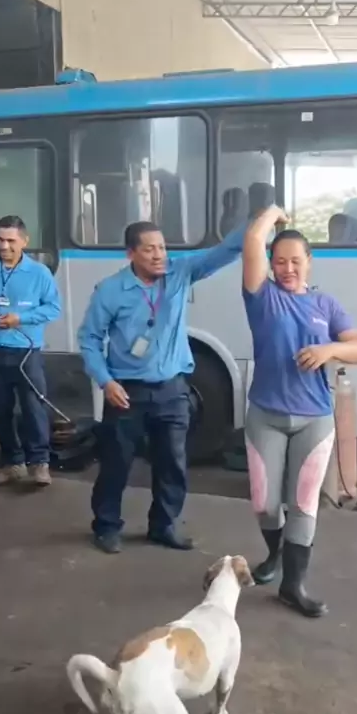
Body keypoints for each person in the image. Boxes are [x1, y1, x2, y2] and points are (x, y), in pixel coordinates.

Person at [78, 220, 244, 555]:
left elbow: (226, 250)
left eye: (162, 247)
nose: (159, 255)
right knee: (116, 465)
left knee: (172, 464)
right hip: (126, 393)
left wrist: (260, 220)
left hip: (172, 391)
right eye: (149, 249)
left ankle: (163, 526)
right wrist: (106, 381)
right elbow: (89, 339)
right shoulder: (110, 290)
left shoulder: (180, 273)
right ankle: (106, 527)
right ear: (131, 254)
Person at [242, 206, 357, 617]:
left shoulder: (325, 304)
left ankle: (292, 586)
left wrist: (329, 349)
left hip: (314, 418)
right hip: (266, 415)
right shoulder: (262, 297)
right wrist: (272, 213)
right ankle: (276, 553)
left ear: (309, 262)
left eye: (296, 261)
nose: (288, 269)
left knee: (303, 503)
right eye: (280, 261)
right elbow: (252, 243)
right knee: (264, 503)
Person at [0, 215, 61, 486]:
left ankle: (40, 464)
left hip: (26, 353)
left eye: (11, 240)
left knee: (34, 409)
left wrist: (19, 318)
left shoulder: (39, 273)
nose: (4, 246)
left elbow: (53, 309)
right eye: (0, 239)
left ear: (24, 241)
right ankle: (14, 463)